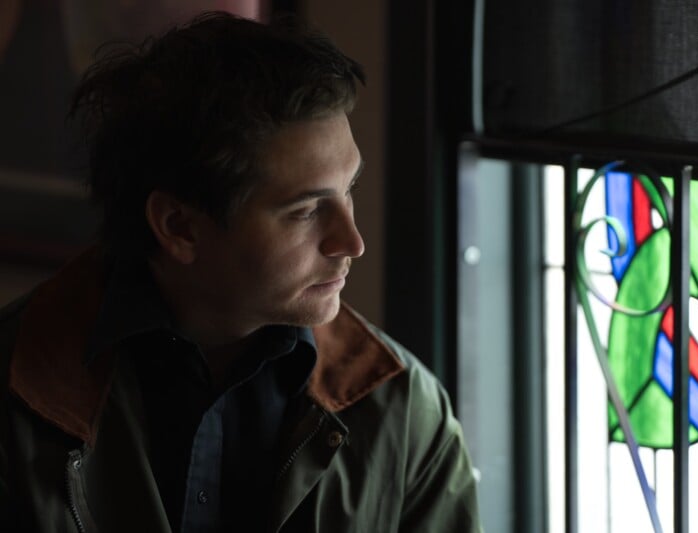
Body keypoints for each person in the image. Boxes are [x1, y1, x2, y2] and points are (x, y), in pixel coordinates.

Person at [0, 11, 481, 532]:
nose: (353, 242)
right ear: (180, 227)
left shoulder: (405, 412)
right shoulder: (15, 389)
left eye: (349, 191)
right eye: (305, 211)